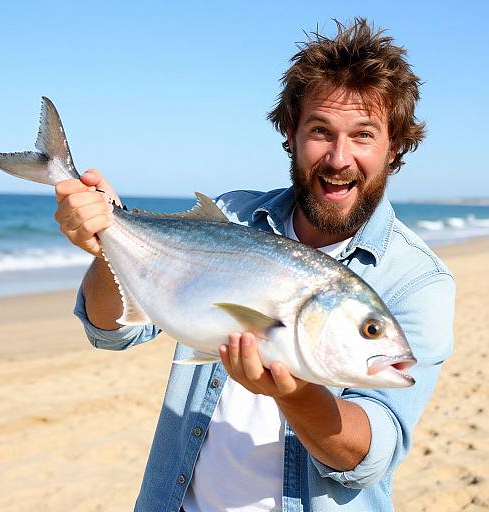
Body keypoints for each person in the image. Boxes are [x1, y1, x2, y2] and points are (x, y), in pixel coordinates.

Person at [54, 18, 455, 512]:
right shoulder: (231, 217)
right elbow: (112, 330)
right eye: (319, 131)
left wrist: (296, 395)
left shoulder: (419, 281)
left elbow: (375, 454)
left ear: (394, 148)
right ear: (291, 133)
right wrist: (106, 243)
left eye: (364, 135)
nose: (339, 157)